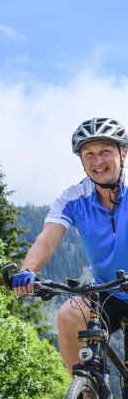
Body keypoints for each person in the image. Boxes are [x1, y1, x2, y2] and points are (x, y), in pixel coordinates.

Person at [12, 117, 128, 374]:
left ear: (123, 154)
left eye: (105, 152)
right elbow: (47, 239)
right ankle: (86, 392)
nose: (98, 161)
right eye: (89, 154)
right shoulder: (73, 198)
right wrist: (28, 270)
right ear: (82, 161)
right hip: (108, 291)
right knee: (69, 314)